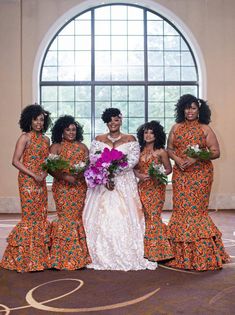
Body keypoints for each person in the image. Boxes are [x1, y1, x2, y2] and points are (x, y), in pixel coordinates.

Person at [83, 108, 157, 271]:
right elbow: (93, 159)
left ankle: (127, 251)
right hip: (102, 184)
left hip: (123, 183)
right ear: (106, 122)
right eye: (109, 120)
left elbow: (132, 160)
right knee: (101, 216)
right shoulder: (98, 139)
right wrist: (105, 175)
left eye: (116, 119)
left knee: (123, 215)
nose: (113, 123)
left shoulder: (130, 139)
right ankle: (97, 252)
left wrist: (112, 173)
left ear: (121, 120)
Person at [166, 94, 230, 271]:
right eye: (187, 108)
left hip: (201, 175)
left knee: (196, 210)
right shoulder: (176, 128)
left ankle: (203, 254)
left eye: (193, 108)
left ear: (199, 110)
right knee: (181, 209)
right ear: (182, 110)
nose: (190, 111)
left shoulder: (205, 129)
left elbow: (216, 152)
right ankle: (179, 253)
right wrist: (177, 160)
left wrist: (196, 158)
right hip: (181, 174)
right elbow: (169, 149)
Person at [1, 104, 51, 272]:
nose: (39, 123)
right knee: (30, 218)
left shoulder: (46, 140)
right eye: (35, 119)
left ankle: (39, 258)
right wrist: (33, 175)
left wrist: (44, 173)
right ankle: (25, 258)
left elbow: (46, 161)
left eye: (42, 120)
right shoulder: (25, 137)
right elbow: (15, 161)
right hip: (27, 181)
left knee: (41, 215)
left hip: (41, 181)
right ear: (29, 120)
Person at [49, 115, 91, 270]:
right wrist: (66, 177)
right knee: (65, 217)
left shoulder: (82, 147)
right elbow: (50, 168)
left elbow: (87, 166)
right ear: (62, 131)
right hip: (62, 188)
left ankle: (78, 256)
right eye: (68, 130)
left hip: (79, 187)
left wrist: (78, 176)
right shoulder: (56, 147)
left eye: (74, 129)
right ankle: (62, 256)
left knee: (76, 217)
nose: (71, 132)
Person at [135, 121, 174, 262]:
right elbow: (133, 168)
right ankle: (146, 249)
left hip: (156, 187)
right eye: (146, 132)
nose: (148, 135)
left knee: (153, 216)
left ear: (157, 135)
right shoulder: (138, 150)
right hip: (142, 187)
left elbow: (169, 169)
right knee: (144, 216)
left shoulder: (161, 151)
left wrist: (158, 173)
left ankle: (159, 251)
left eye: (151, 132)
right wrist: (139, 175)